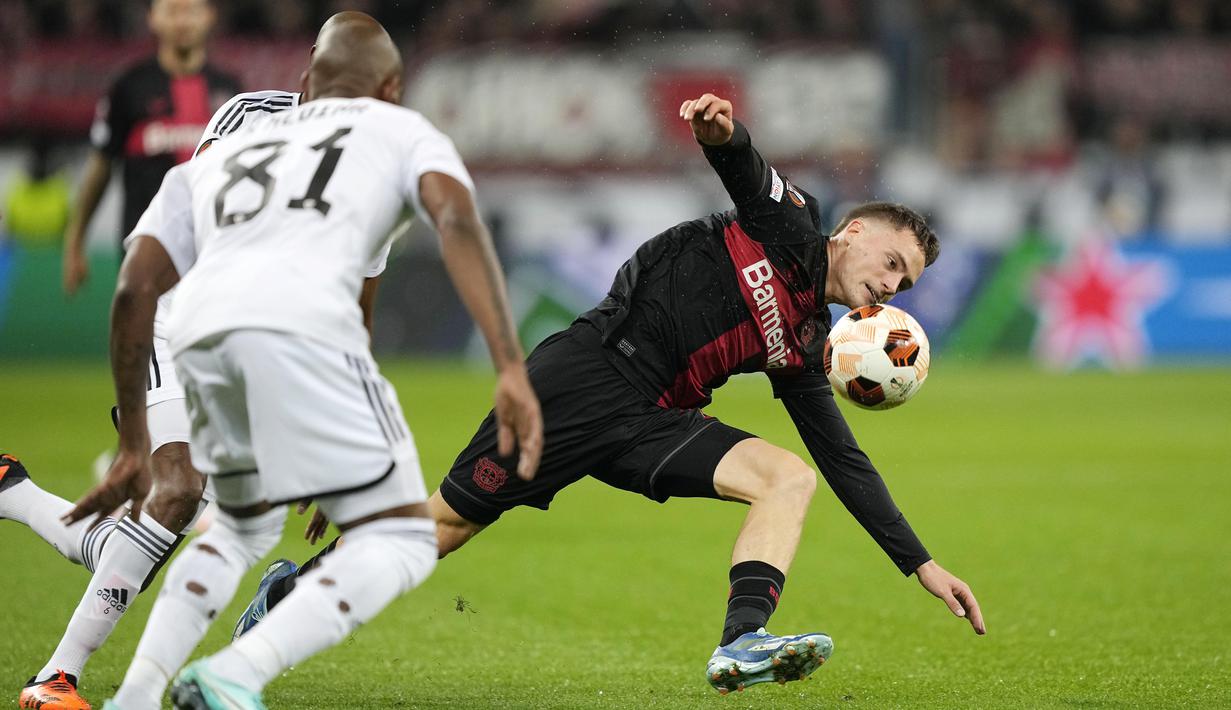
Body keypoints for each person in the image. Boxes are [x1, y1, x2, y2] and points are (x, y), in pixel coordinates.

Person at [245, 92, 985, 695]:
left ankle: (742, 642)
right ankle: (287, 602)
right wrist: (721, 135)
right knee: (438, 533)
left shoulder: (802, 347)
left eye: (904, 283)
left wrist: (918, 563)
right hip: (585, 377)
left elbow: (844, 460)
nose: (890, 286)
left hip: (654, 420)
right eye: (889, 262)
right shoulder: (790, 224)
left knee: (788, 477)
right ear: (851, 233)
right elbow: (745, 170)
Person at [63, 11, 542, 710]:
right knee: (405, 539)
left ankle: (134, 697)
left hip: (199, 332)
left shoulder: (222, 151)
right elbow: (458, 219)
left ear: (304, 84)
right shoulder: (394, 128)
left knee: (238, 525)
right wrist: (507, 363)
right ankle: (236, 671)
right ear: (390, 88)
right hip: (303, 325)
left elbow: (136, 284)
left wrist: (134, 436)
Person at [9, 91, 304, 710]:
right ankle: (55, 680)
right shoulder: (255, 114)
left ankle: (13, 491)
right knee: (177, 490)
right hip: (176, 319)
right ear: (311, 73)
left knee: (132, 545)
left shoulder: (377, 158)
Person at [61, 0, 237, 296]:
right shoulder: (128, 88)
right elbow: (101, 165)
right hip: (146, 253)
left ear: (209, 17)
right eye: (172, 11)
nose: (182, 22)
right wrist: (76, 240)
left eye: (191, 11)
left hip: (212, 252)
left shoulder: (231, 91)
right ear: (153, 18)